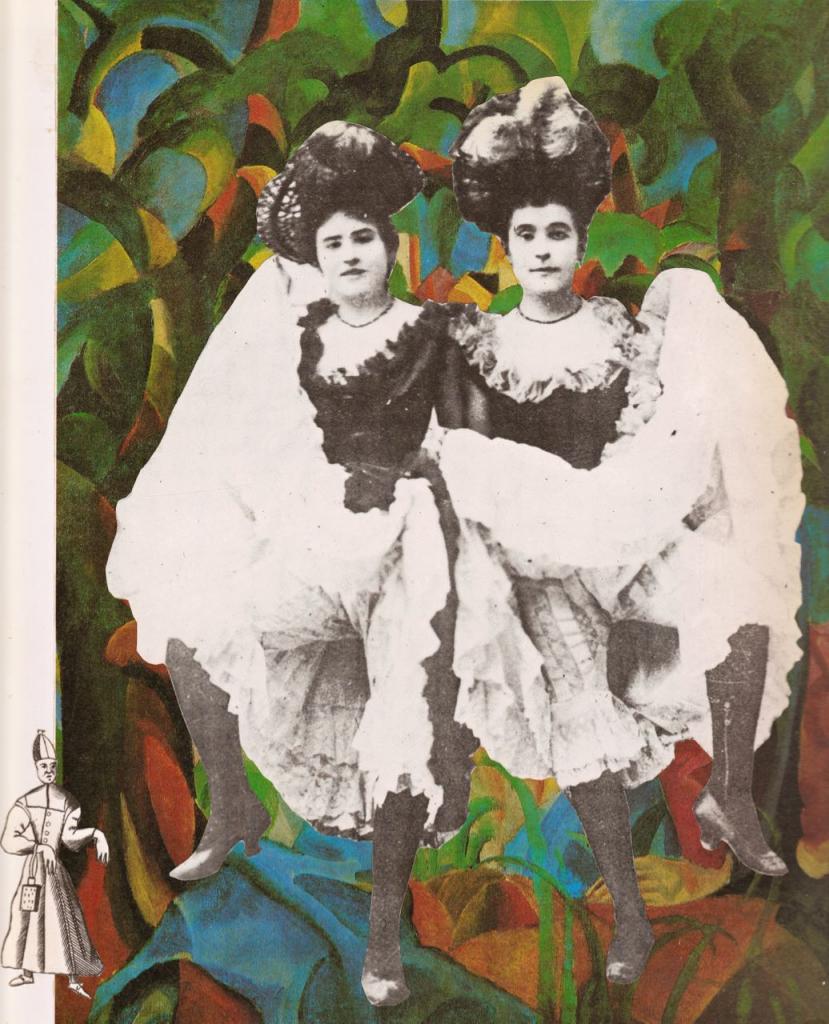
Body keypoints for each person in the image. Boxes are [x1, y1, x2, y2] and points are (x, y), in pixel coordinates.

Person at [430, 77, 803, 982]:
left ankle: (728, 795)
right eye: (526, 233)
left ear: (580, 240)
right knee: (581, 718)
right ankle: (628, 917)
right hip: (537, 564)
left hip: (621, 536)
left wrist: (653, 491)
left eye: (557, 232)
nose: (542, 249)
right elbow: (466, 467)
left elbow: (659, 437)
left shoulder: (621, 333)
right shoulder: (478, 345)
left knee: (737, 602)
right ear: (504, 242)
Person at [106, 121, 477, 1007]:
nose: (349, 255)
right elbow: (252, 450)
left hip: (409, 558)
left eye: (363, 239)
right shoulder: (294, 333)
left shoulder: (433, 333)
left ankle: (382, 932)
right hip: (317, 549)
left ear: (390, 246)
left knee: (402, 724)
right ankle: (232, 803)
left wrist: (418, 476)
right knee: (194, 628)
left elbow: (471, 450)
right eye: (332, 242)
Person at [2, 731, 109, 998]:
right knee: (28, 915)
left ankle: (73, 978)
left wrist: (96, 834)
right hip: (34, 871)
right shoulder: (26, 802)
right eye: (44, 766)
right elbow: (8, 840)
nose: (49, 770)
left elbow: (69, 840)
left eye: (52, 766)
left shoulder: (67, 801)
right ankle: (27, 972)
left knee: (64, 918)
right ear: (36, 768)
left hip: (54, 872)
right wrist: (39, 846)